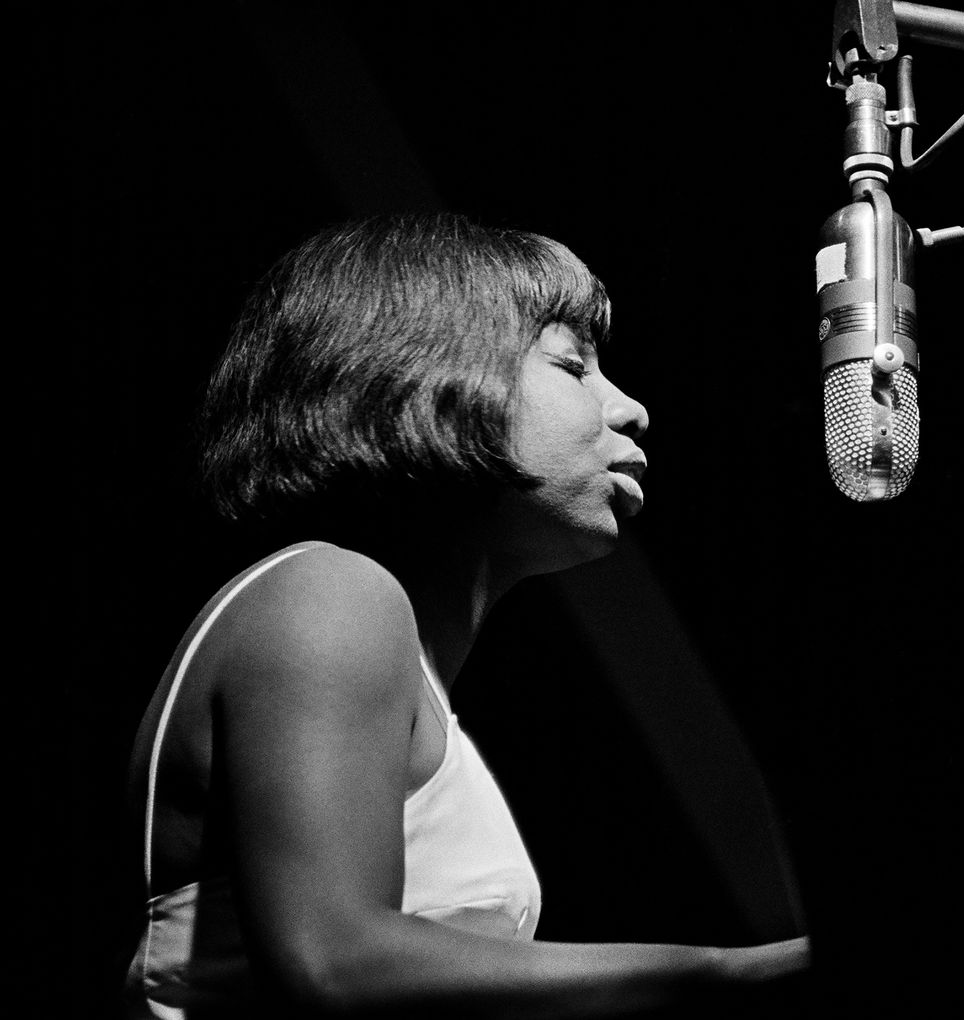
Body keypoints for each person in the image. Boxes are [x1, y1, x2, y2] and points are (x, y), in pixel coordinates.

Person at [122, 212, 811, 1018]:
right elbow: (333, 961)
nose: (630, 409)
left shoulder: (387, 639)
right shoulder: (332, 592)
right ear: (429, 375)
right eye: (572, 365)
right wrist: (733, 976)